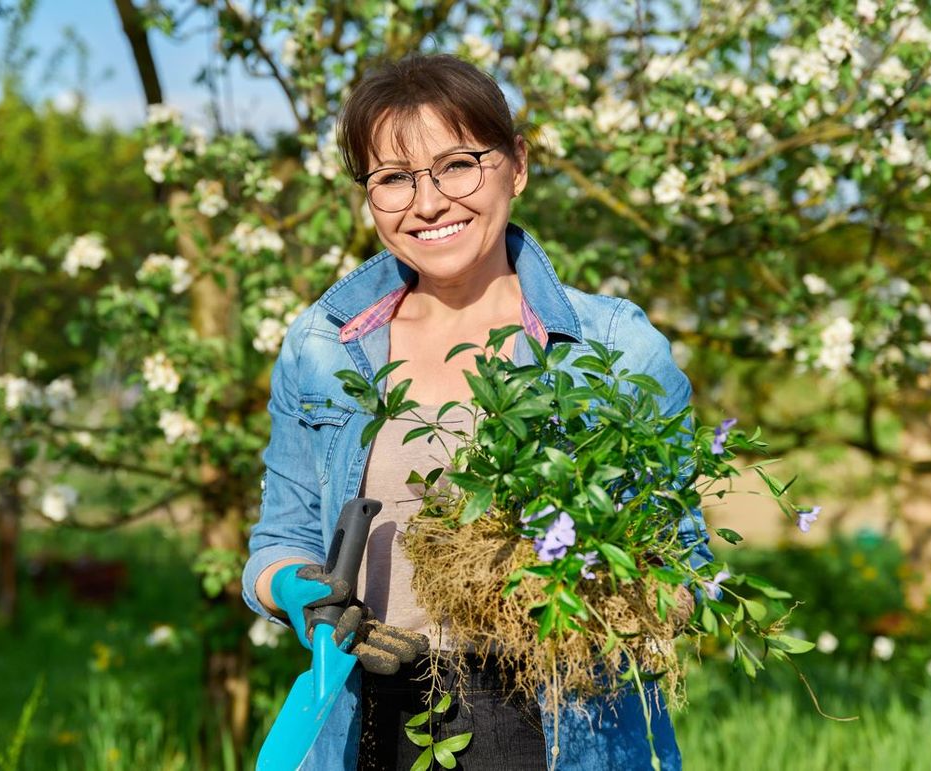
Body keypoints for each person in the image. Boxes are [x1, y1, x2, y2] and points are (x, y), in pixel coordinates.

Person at [243, 53, 712, 770]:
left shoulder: (614, 348)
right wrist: (307, 598)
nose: (427, 203)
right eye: (393, 178)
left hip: (556, 729)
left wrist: (583, 591)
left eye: (457, 164)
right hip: (369, 723)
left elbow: (686, 572)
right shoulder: (322, 348)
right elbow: (279, 540)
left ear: (516, 165)